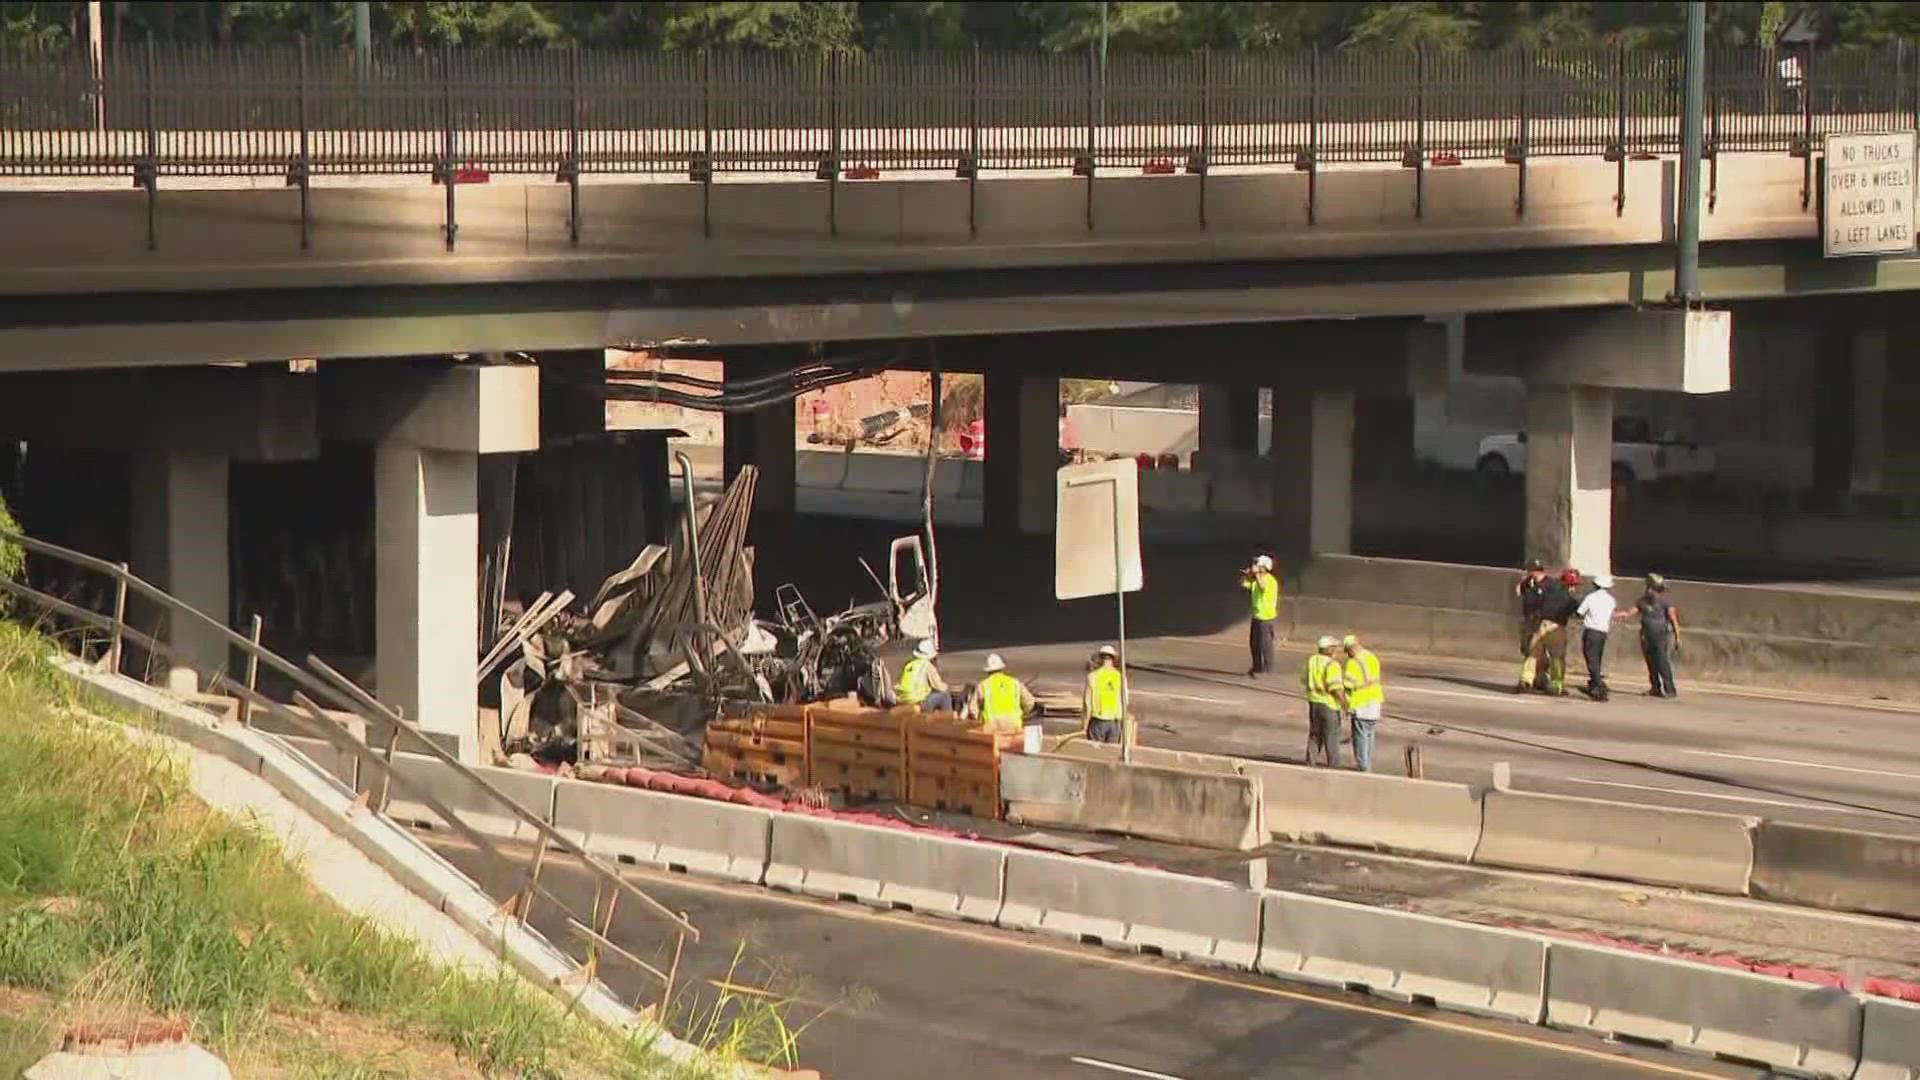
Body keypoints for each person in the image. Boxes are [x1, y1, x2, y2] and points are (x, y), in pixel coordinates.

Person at [1631, 574, 1682, 698]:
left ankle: (1670, 689)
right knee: (1651, 663)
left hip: (1661, 636)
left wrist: (1677, 637)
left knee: (1662, 662)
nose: (1649, 591)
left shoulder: (1666, 602)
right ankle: (1655, 688)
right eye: (1648, 588)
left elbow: (1673, 620)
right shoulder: (1642, 601)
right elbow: (1630, 612)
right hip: (1646, 636)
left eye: (1652, 588)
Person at [1536, 568, 1583, 696]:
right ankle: (1556, 685)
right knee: (1557, 657)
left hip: (1541, 624)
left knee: (1536, 653)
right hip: (1556, 627)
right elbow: (1579, 613)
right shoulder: (1569, 598)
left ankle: (1533, 679)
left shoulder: (1548, 589)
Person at [1340, 634, 1384, 772]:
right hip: (1375, 701)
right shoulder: (1372, 657)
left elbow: (1348, 684)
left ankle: (1363, 765)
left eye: (1348, 651)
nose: (1348, 654)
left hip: (1361, 704)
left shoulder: (1353, 663)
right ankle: (1367, 763)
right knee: (1370, 734)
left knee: (1360, 737)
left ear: (1352, 647)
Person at [1301, 636, 1346, 767]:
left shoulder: (1311, 661)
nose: (1337, 650)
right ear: (1329, 649)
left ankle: (1310, 762)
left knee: (1315, 735)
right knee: (1331, 737)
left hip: (1313, 703)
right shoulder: (1332, 665)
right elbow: (1335, 688)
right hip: (1329, 704)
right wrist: (1345, 704)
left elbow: (1304, 680)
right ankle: (1333, 766)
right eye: (1335, 647)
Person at [967, 653, 1035, 734]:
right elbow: (1029, 702)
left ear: (988, 671)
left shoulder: (984, 685)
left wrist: (979, 720)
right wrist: (1022, 714)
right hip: (1014, 726)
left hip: (991, 728)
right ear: (1002, 669)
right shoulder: (1014, 683)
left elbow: (972, 709)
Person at [1576, 573, 1618, 701]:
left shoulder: (1591, 597)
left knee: (1591, 659)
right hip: (1602, 632)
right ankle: (1594, 684)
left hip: (1591, 631)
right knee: (1597, 659)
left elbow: (1580, 612)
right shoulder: (1611, 600)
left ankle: (1599, 687)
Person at [1514, 560, 1552, 692]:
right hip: (1529, 620)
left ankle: (1534, 680)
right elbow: (1519, 592)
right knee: (1528, 649)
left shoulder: (1548, 584)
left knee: (1538, 651)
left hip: (1541, 621)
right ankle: (1537, 679)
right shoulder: (1528, 584)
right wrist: (1525, 582)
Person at [1241, 555, 1281, 677]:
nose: (1256, 567)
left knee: (1265, 644)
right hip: (1257, 616)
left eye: (1258, 565)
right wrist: (1247, 575)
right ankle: (1257, 667)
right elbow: (1244, 584)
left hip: (1266, 617)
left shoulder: (1270, 580)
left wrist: (1257, 574)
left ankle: (1268, 670)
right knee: (1254, 643)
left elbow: (1262, 587)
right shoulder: (1256, 579)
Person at [895, 638, 953, 712]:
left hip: (902, 700)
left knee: (931, 693)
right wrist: (948, 687)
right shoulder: (927, 666)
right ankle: (947, 717)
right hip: (918, 702)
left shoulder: (909, 664)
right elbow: (940, 687)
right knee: (945, 694)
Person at [1083, 644, 1125, 744]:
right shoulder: (1120, 676)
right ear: (1113, 659)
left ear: (1100, 658)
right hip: (1114, 723)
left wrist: (1084, 725)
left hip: (1098, 721)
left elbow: (1087, 704)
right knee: (1111, 753)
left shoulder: (1093, 676)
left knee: (1096, 752)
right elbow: (1125, 700)